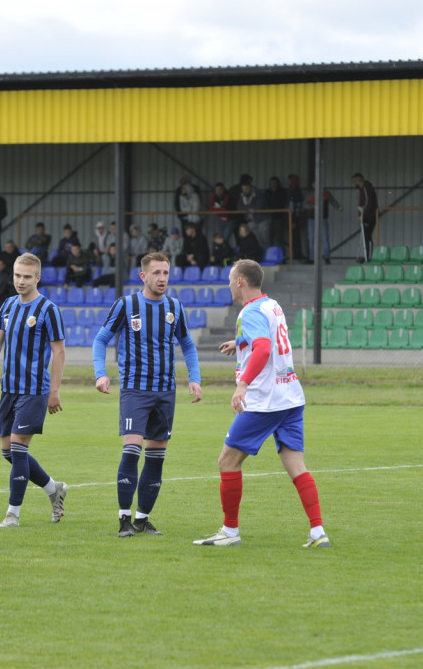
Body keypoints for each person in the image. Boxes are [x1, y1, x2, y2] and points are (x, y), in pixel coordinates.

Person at [194, 260, 329, 548]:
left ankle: (230, 532)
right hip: (291, 396)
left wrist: (243, 384)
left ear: (241, 281)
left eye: (231, 279)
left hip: (265, 400)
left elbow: (265, 348)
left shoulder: (250, 310)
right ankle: (318, 532)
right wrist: (240, 340)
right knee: (296, 465)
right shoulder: (272, 305)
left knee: (227, 462)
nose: (229, 284)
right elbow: (268, 339)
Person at [92, 251, 202, 537]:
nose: (162, 278)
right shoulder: (126, 305)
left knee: (156, 458)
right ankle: (124, 519)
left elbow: (187, 345)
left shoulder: (175, 307)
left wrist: (195, 378)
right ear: (143, 276)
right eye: (156, 273)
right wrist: (100, 373)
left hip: (166, 392)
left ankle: (142, 519)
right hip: (135, 391)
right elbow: (101, 339)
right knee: (131, 450)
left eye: (165, 272)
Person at [0, 253, 70, 527]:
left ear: (38, 278)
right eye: (17, 276)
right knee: (8, 451)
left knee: (18, 447)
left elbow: (59, 351)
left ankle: (12, 514)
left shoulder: (48, 310)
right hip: (9, 388)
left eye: (27, 276)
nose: (21, 281)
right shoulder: (9, 305)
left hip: (35, 389)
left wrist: (54, 390)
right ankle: (53, 489)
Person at [303, 179, 342, 264]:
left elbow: (333, 201)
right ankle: (311, 258)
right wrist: (313, 206)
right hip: (312, 218)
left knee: (325, 238)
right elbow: (305, 205)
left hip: (323, 218)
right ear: (313, 185)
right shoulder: (309, 194)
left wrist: (338, 207)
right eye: (316, 184)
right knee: (311, 238)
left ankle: (327, 257)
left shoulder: (326, 193)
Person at [352, 173, 379, 262]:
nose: (354, 183)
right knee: (365, 237)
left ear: (358, 180)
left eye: (355, 181)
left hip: (369, 216)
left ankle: (369, 257)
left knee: (367, 236)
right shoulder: (362, 189)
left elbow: (368, 203)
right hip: (365, 215)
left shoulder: (366, 188)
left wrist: (363, 214)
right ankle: (366, 256)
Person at [235, 178, 267, 249]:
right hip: (251, 221)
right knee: (256, 239)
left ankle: (266, 256)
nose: (244, 191)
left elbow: (259, 206)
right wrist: (249, 209)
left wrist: (246, 208)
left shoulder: (257, 193)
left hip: (262, 220)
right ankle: (260, 255)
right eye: (243, 189)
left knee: (264, 239)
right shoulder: (242, 196)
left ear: (250, 187)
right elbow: (239, 207)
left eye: (246, 189)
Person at [262, 176, 289, 251]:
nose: (273, 185)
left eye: (274, 183)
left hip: (278, 217)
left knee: (279, 238)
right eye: (271, 183)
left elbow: (282, 203)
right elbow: (265, 204)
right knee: (269, 238)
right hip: (268, 217)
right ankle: (270, 256)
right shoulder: (267, 193)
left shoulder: (282, 192)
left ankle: (282, 256)